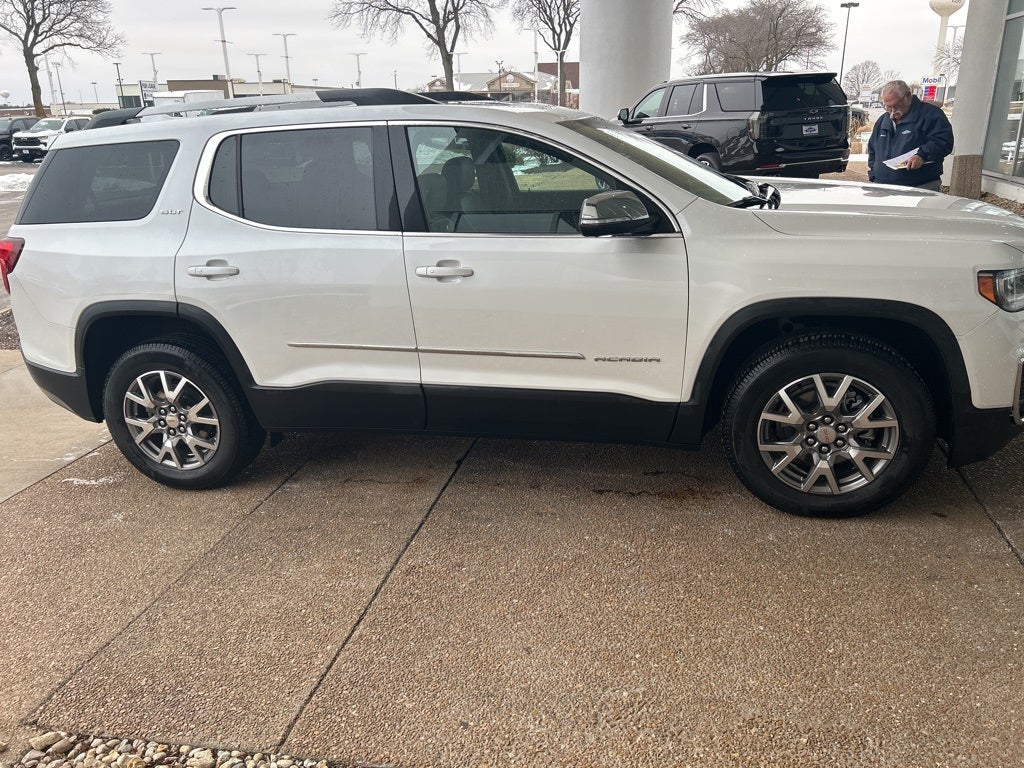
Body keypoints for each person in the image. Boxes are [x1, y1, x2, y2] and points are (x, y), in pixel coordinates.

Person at [867, 80, 954, 191]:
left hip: (919, 186)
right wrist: (873, 173)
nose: (893, 111)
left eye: (896, 105)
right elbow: (873, 149)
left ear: (908, 96)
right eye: (888, 107)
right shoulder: (883, 120)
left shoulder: (931, 115)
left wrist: (922, 155)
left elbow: (943, 142)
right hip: (881, 186)